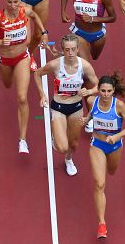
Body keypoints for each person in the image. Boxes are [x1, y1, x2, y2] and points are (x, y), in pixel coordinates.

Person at [0, 0, 51, 153]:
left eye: (16, 2)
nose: (13, 5)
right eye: (10, 2)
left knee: (22, 97)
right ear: (4, 1)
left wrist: (43, 32)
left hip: (22, 57)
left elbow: (35, 15)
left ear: (20, 0)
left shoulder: (25, 11)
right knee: (7, 85)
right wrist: (0, 43)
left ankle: (22, 140)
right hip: (5, 59)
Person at [34, 33, 99, 175]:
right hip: (58, 107)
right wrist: (42, 95)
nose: (70, 53)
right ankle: (55, 135)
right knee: (62, 147)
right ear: (63, 49)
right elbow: (37, 74)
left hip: (76, 107)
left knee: (73, 144)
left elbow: (98, 84)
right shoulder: (56, 65)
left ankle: (68, 160)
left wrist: (89, 92)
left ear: (77, 49)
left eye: (73, 49)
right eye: (67, 49)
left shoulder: (84, 66)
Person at [81, 72, 125, 239]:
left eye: (108, 91)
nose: (105, 95)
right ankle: (102, 224)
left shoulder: (119, 106)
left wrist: (116, 137)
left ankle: (102, 222)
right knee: (99, 183)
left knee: (111, 171)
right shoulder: (92, 101)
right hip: (97, 145)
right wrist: (86, 120)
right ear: (98, 90)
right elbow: (92, 114)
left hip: (115, 146)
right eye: (102, 91)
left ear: (113, 91)